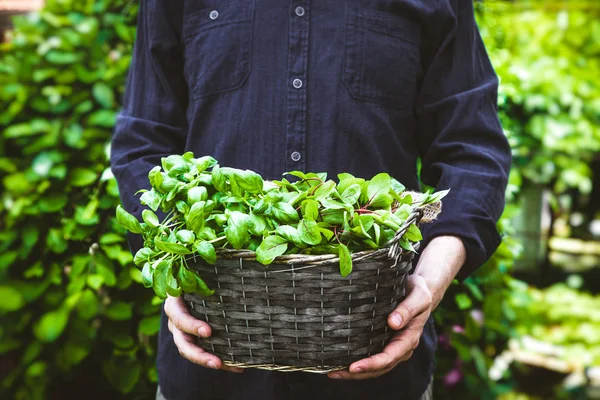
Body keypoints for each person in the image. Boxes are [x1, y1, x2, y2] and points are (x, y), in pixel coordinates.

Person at [110, 0, 511, 399]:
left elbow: (471, 151)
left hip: (378, 370)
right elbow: (142, 142)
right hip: (211, 373)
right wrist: (174, 271)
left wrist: (428, 281)